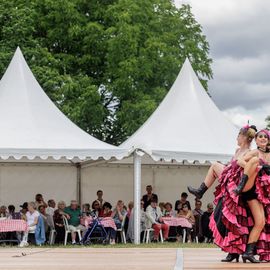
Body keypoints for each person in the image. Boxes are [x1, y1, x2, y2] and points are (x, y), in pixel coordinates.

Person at [208, 125, 257, 262]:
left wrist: (239, 165)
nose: (236, 138)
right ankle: (232, 252)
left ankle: (236, 252)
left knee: (237, 224)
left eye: (238, 136)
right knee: (225, 221)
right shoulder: (237, 151)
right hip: (230, 191)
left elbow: (247, 169)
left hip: (238, 192)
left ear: (244, 137)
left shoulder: (250, 152)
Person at [232, 129, 270, 262]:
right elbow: (240, 161)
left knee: (260, 222)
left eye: (265, 137)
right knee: (254, 160)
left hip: (260, 193)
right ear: (256, 139)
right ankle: (239, 186)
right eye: (260, 136)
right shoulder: (255, 152)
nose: (263, 138)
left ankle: (248, 253)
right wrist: (258, 167)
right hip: (249, 185)